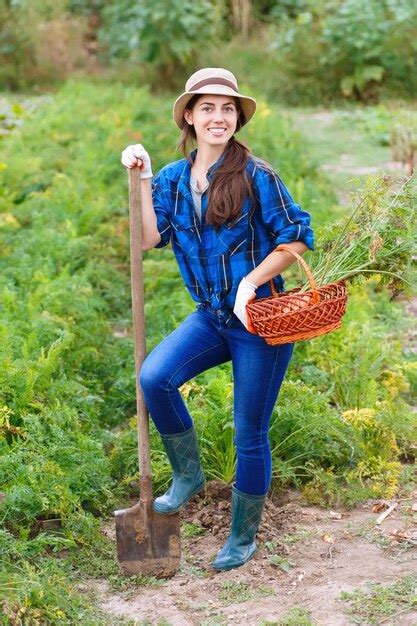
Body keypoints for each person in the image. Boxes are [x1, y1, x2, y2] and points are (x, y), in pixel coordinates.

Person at [121, 67, 314, 571]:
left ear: (237, 119)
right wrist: (140, 177)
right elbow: (147, 239)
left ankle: (242, 535)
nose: (219, 117)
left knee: (248, 430)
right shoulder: (170, 179)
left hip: (262, 320)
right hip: (212, 318)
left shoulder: (256, 175)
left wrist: (250, 284)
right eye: (207, 107)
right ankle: (188, 477)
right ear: (189, 116)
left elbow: (296, 238)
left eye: (228, 109)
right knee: (155, 377)